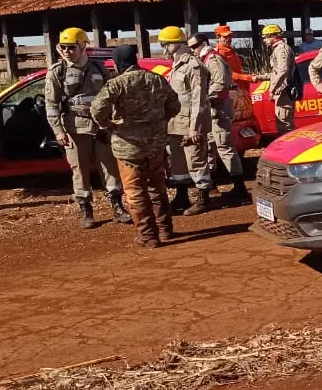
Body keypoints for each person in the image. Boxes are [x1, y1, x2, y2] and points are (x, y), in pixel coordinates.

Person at [90, 46, 181, 248]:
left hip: (128, 148)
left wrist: (110, 126)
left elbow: (97, 110)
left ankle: (148, 236)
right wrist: (158, 121)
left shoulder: (116, 84)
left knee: (135, 192)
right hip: (156, 145)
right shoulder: (156, 79)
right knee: (157, 187)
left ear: (117, 63)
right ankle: (165, 230)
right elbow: (175, 106)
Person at [43, 27, 132, 229]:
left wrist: (115, 121)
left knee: (109, 167)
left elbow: (113, 95)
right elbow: (51, 104)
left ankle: (117, 207)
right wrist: (58, 130)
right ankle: (86, 210)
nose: (66, 51)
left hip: (101, 127)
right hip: (74, 128)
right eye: (63, 47)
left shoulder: (99, 67)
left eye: (71, 47)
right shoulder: (58, 72)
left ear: (83, 46)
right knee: (79, 170)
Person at [158, 26, 213, 216]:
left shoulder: (194, 66)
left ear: (177, 44)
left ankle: (203, 198)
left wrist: (195, 128)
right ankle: (182, 196)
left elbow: (198, 100)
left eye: (165, 44)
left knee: (196, 160)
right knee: (178, 163)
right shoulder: (175, 66)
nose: (163, 48)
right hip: (175, 123)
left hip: (191, 124)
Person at [189, 33, 248, 202]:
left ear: (204, 43)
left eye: (194, 46)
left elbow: (221, 82)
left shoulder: (213, 59)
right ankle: (212, 186)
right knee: (209, 145)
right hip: (212, 108)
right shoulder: (205, 58)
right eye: (190, 47)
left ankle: (239, 187)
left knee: (224, 146)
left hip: (218, 108)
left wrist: (205, 98)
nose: (192, 50)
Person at [258, 23, 296, 135]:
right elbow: (276, 72)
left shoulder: (281, 49)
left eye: (265, 37)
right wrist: (260, 77)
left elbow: (283, 71)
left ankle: (289, 150)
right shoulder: (277, 49)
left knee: (285, 125)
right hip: (282, 91)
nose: (264, 40)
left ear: (273, 36)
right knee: (282, 123)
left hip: (284, 91)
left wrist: (272, 89)